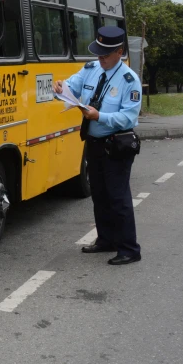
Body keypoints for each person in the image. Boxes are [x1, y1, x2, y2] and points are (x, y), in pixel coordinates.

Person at [53, 26, 142, 266]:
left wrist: (99, 116)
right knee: (99, 195)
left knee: (118, 197)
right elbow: (72, 85)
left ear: (120, 52)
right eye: (98, 53)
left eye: (105, 55)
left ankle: (129, 248)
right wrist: (61, 88)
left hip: (116, 144)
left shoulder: (129, 80)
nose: (100, 59)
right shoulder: (91, 69)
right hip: (93, 142)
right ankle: (105, 240)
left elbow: (129, 118)